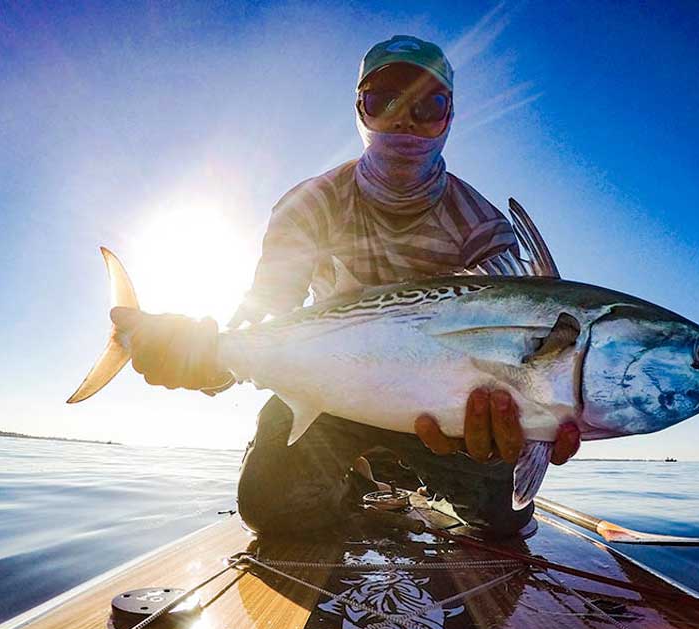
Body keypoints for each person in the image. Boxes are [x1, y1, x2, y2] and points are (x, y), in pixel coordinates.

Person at [112, 35, 580, 540]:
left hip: (446, 414)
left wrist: (531, 412)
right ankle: (362, 469)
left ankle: (398, 469)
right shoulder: (309, 205)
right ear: (360, 111)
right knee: (270, 505)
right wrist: (207, 362)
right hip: (329, 396)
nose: (404, 119)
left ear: (449, 118)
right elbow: (267, 313)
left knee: (504, 519)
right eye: (384, 101)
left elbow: (513, 345)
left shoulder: (482, 225)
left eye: (429, 105)